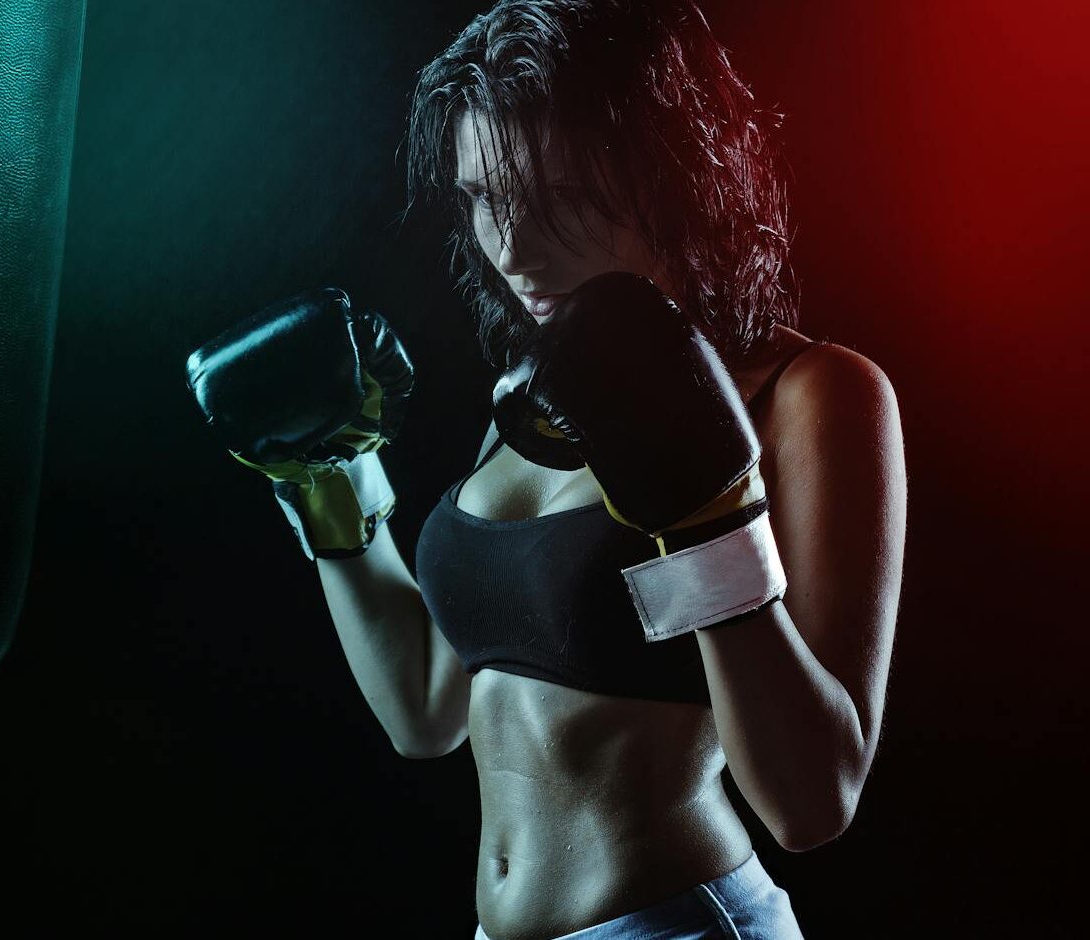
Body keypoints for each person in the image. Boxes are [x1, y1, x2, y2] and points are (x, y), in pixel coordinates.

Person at [185, 1, 905, 937]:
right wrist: (329, 480)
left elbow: (814, 800)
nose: (514, 248)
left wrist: (710, 528)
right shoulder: (529, 393)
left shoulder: (809, 392)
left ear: (665, 173)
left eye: (555, 196)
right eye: (485, 198)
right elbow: (426, 709)